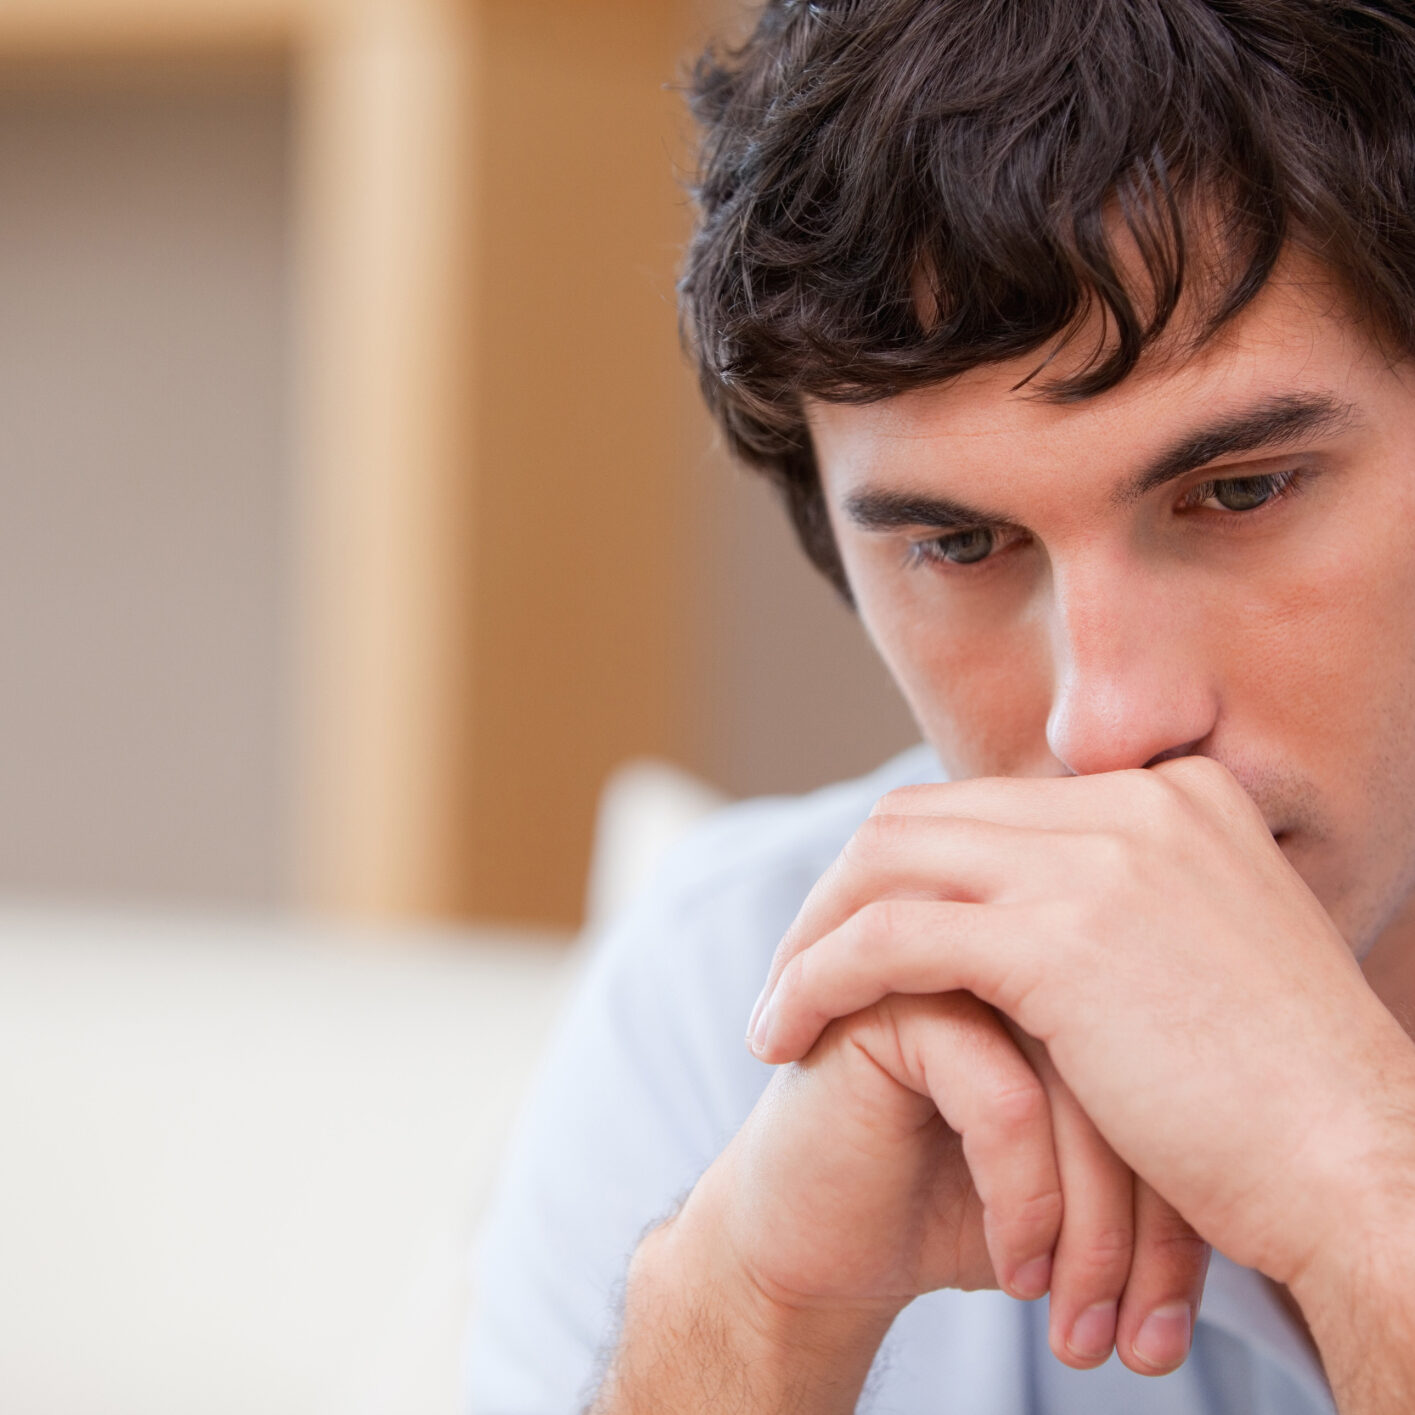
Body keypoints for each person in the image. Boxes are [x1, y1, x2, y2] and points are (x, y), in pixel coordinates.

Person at [465, 2, 1415, 1411]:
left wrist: (1364, 1191)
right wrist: (756, 1309)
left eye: (1240, 491)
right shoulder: (729, 995)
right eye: (961, 548)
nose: (1108, 729)